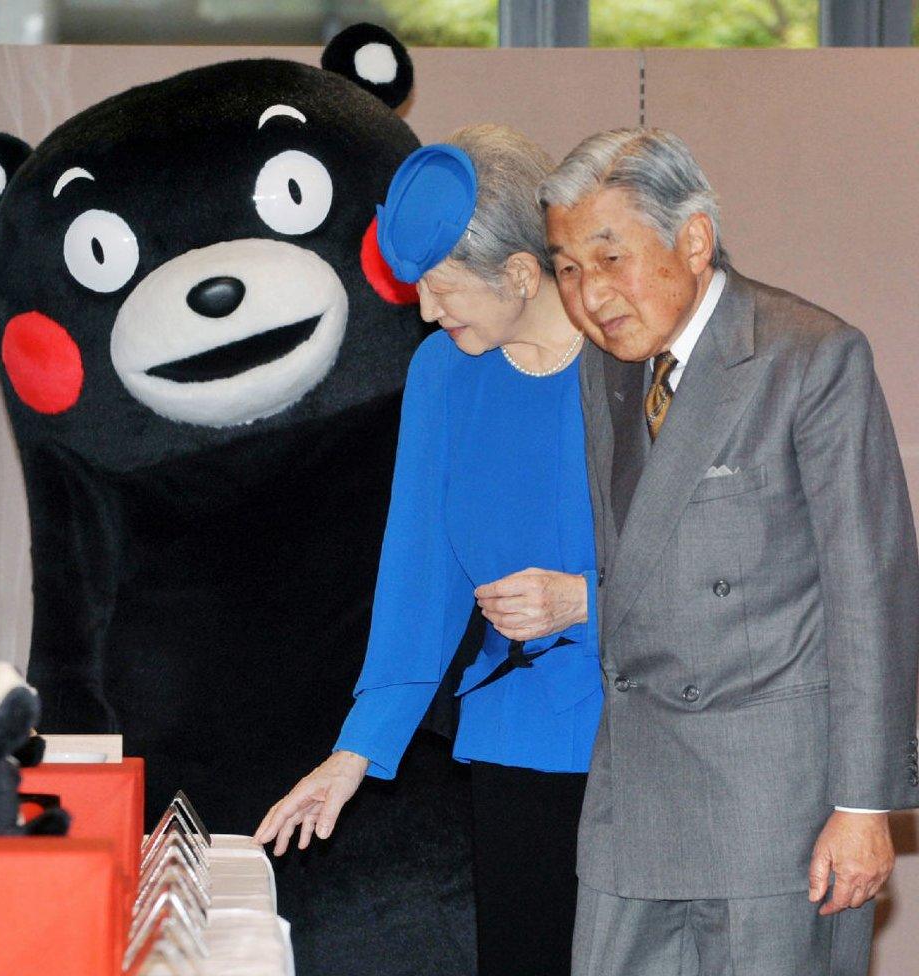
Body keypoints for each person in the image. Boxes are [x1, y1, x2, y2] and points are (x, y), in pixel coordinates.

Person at [538, 127, 919, 976]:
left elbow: (872, 593)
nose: (590, 295)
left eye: (610, 258)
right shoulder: (603, 370)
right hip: (632, 798)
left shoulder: (809, 357)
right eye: (567, 268)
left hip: (772, 809)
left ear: (695, 239)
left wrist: (863, 806)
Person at [255, 124, 603, 976]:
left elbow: (716, 559)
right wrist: (356, 752)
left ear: (522, 275)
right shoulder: (444, 375)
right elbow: (419, 580)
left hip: (653, 737)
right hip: (518, 744)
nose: (428, 313)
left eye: (444, 291)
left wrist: (584, 598)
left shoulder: (629, 362)